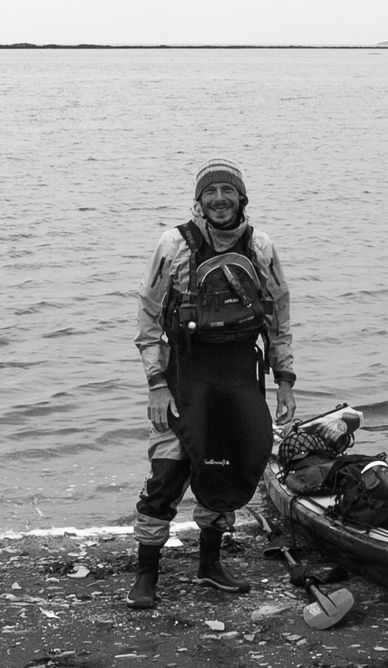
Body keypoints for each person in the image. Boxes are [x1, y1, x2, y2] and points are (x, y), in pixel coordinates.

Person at [128, 158, 297, 609]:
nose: (220, 200)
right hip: (184, 376)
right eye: (210, 193)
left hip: (240, 377)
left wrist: (284, 380)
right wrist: (156, 384)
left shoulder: (260, 247)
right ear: (199, 201)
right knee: (166, 474)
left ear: (242, 198)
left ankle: (210, 565)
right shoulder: (173, 245)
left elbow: (278, 318)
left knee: (227, 469)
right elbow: (148, 318)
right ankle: (146, 574)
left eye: (228, 192)